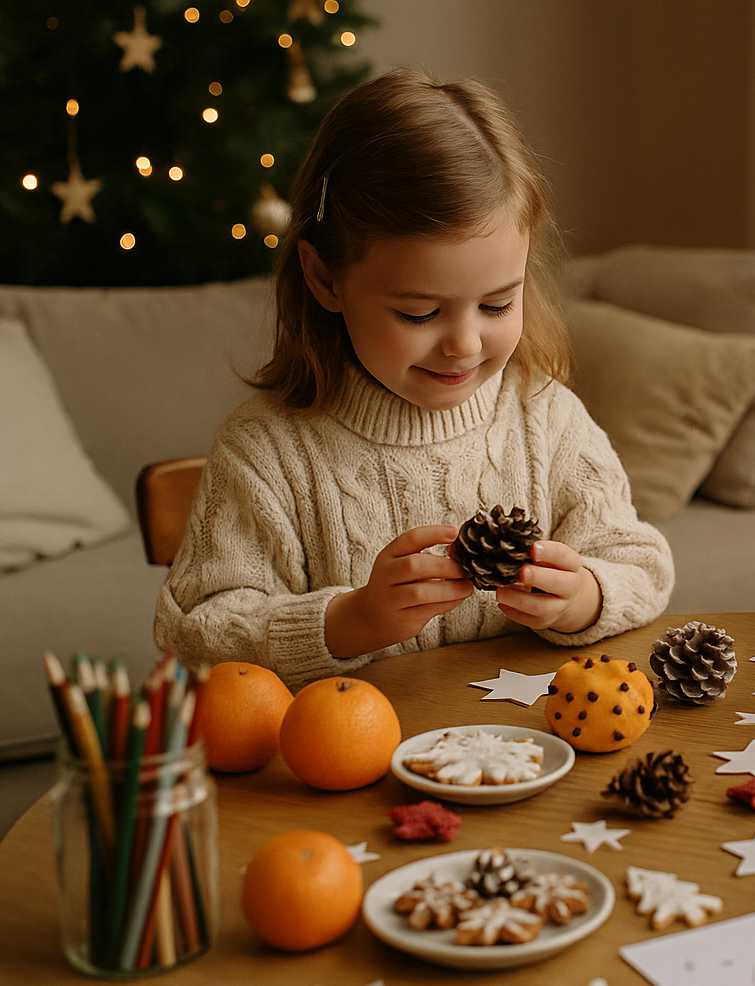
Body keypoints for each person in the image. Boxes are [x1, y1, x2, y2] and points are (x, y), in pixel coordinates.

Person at [156, 70, 673, 686]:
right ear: (325, 280)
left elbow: (641, 564)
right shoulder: (266, 453)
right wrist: (349, 621)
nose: (464, 343)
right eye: (419, 313)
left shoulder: (546, 419)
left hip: (531, 758)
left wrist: (587, 595)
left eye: (498, 304)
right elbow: (193, 635)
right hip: (352, 766)